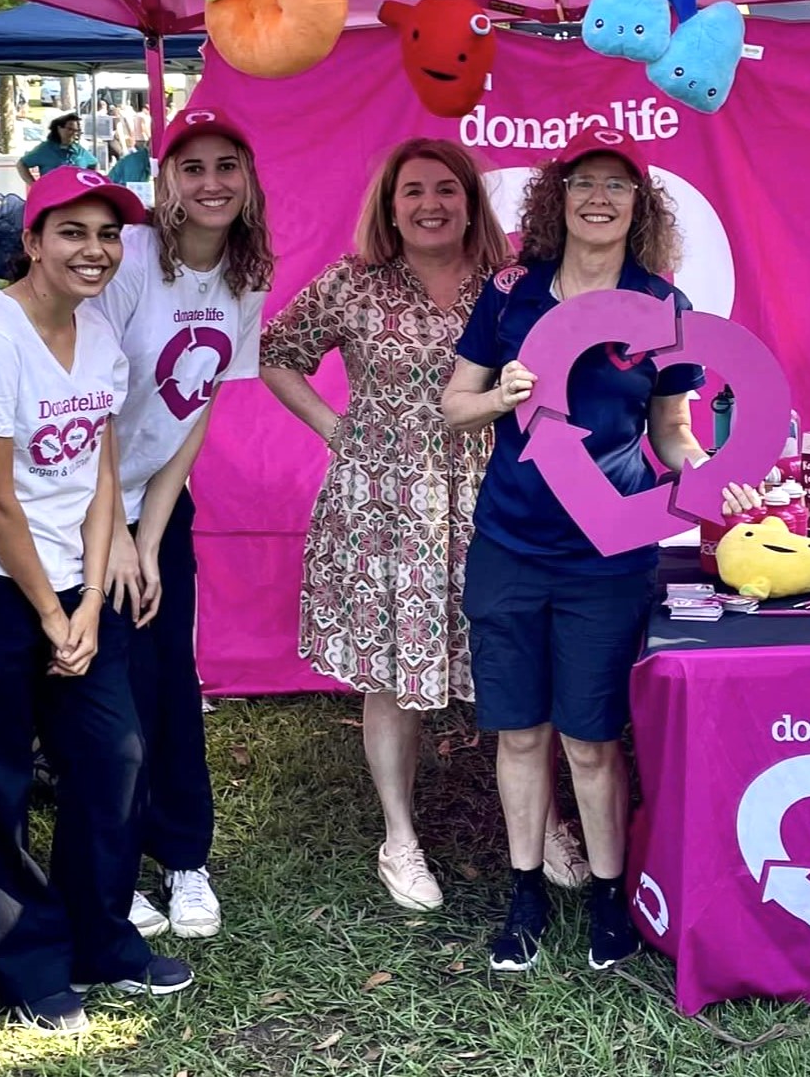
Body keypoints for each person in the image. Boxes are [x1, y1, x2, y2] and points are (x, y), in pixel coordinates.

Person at [441, 125, 757, 973]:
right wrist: (501, 395)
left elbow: (674, 432)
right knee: (518, 731)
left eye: (619, 184)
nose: (599, 197)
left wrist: (715, 483)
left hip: (607, 554)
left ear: (640, 204)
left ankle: (611, 898)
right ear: (558, 193)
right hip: (509, 542)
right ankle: (525, 892)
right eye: (584, 179)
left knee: (590, 737)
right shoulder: (511, 292)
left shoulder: (662, 305)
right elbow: (453, 406)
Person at [260, 139, 584, 913]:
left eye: (446, 189)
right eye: (413, 191)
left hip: (496, 492)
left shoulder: (512, 286)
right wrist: (337, 431)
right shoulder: (354, 282)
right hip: (383, 502)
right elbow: (276, 352)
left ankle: (545, 821)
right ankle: (399, 836)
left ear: (471, 200)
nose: (430, 203)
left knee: (515, 664)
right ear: (390, 203)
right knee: (391, 673)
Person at [0, 168, 193, 1032]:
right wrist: (52, 613)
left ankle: (101, 937)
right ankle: (26, 957)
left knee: (115, 758)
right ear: (31, 241)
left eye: (107, 235)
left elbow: (99, 470)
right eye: (72, 233)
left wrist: (91, 595)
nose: (93, 251)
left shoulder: (98, 334)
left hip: (76, 581)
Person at [85, 107, 274, 942]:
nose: (211, 183)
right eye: (191, 168)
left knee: (169, 683)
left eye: (225, 165)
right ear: (166, 181)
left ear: (248, 177)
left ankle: (184, 858)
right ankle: (115, 871)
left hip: (155, 503)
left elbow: (194, 412)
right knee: (105, 695)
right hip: (79, 503)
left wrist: (153, 536)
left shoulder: (245, 274)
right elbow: (89, 406)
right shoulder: (128, 260)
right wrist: (116, 537)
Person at [17, 113, 96, 188]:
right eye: (70, 129)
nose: (73, 133)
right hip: (52, 197)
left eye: (76, 131)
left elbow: (93, 163)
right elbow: (21, 164)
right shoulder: (44, 149)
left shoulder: (79, 150)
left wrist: (89, 183)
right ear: (59, 128)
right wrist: (34, 185)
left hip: (77, 198)